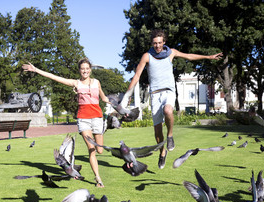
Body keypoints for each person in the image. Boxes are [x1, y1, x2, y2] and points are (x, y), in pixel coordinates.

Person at [121, 29, 222, 169]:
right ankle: (162, 152)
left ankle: (170, 136)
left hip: (169, 91)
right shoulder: (147, 56)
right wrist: (128, 93)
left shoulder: (171, 53)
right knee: (157, 132)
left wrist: (208, 57)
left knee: (168, 110)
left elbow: (189, 56)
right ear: (152, 43)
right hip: (155, 94)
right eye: (155, 43)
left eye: (160, 43)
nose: (157, 46)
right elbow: (137, 75)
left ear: (164, 42)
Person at [22, 58, 109, 187]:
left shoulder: (97, 82)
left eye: (87, 68)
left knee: (100, 150)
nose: (85, 71)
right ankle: (98, 179)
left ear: (90, 69)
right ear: (79, 70)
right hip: (83, 119)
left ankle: (96, 170)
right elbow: (54, 77)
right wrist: (36, 70)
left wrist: (109, 100)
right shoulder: (76, 83)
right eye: (82, 68)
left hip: (97, 118)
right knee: (91, 149)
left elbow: (102, 96)